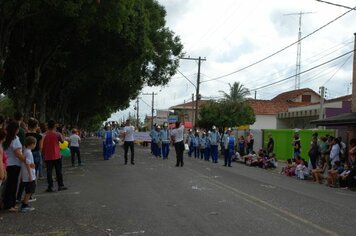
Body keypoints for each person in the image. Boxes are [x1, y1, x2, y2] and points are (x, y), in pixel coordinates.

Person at [2, 121, 26, 211]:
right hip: (14, 165)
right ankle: (9, 205)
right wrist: (26, 160)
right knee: (12, 185)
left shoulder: (7, 138)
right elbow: (18, 153)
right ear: (15, 129)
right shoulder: (15, 139)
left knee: (9, 185)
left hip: (8, 164)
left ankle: (8, 203)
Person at [42, 119, 67, 192]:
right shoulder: (57, 134)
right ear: (54, 126)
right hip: (56, 155)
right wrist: (62, 133)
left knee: (49, 172)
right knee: (58, 171)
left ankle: (50, 186)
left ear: (48, 126)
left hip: (47, 155)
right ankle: (60, 185)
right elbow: (62, 141)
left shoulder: (44, 134)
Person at [20, 136, 37, 213]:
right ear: (32, 144)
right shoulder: (28, 152)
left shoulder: (26, 151)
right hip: (29, 174)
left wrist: (32, 164)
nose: (35, 145)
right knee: (29, 190)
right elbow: (27, 164)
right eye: (35, 144)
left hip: (27, 173)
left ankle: (25, 203)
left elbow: (29, 163)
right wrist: (30, 175)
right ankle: (24, 205)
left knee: (29, 190)